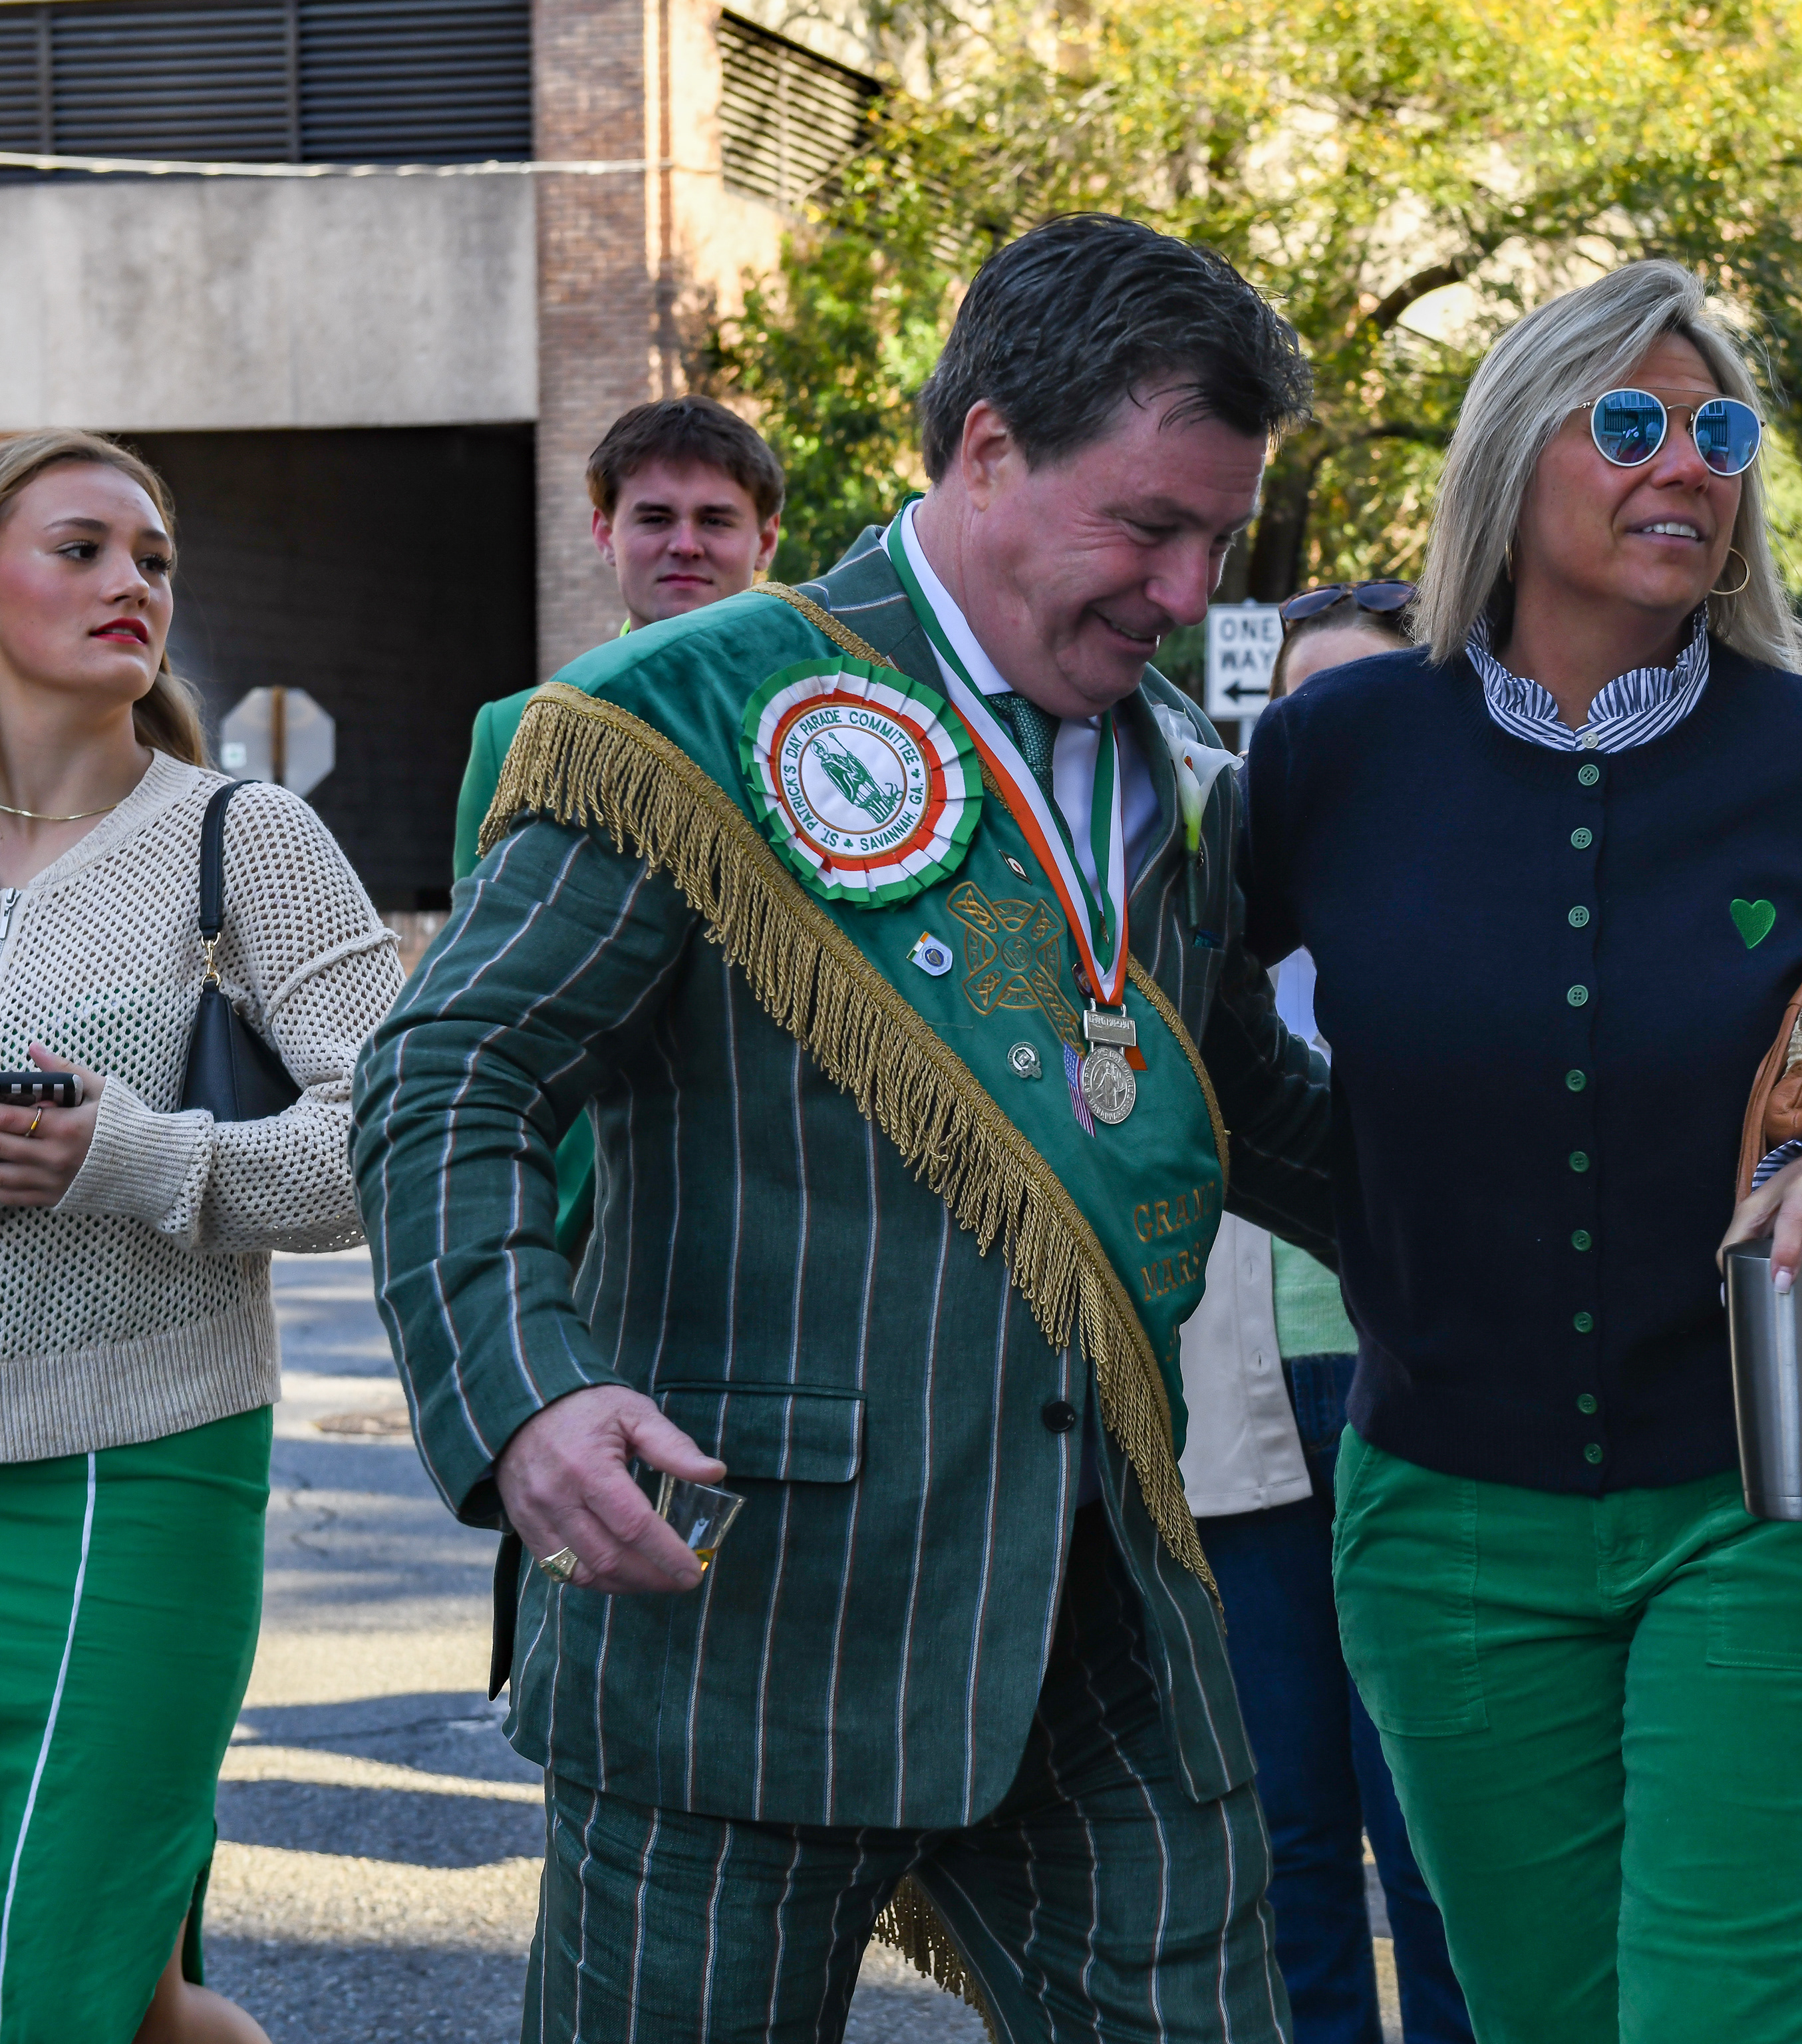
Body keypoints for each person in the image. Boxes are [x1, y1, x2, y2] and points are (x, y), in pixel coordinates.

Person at [357, 214, 1337, 2039]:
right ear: (989, 449)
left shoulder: (1170, 764)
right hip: (740, 1614)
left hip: (1104, 1615)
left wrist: (1586, 1229)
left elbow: (1241, 1103)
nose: (1189, 591)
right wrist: (526, 1389)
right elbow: (452, 1071)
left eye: (1219, 538)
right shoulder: (684, 712)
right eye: (1148, 526)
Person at [1235, 258, 1802, 2043]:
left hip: (1775, 1503)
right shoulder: (1339, 748)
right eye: (1632, 423)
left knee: (1722, 2020)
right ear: (1513, 455)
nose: (1686, 467)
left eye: (1720, 435)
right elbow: (1178, 1022)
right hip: (1442, 1520)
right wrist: (1369, 1209)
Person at [0, 431, 404, 2042]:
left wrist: (128, 1154)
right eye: (82, 549)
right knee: (143, 2002)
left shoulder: (245, 837)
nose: (133, 583)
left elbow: (390, 1138)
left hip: (137, 1472)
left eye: (154, 559)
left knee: (46, 1985)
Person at [1177, 584, 1471, 2044]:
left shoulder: (1490, 884)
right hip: (1234, 1415)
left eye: (1368, 697)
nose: (1328, 732)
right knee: (1286, 1824)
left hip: (1424, 1408)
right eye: (1301, 704)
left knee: (1437, 1830)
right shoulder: (1200, 886)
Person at [446, 396, 786, 1258]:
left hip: (779, 1192)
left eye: (716, 519)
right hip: (580, 1205)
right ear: (604, 533)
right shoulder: (517, 730)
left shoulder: (822, 733)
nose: (686, 544)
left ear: (767, 540)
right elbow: (484, 996)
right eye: (655, 518)